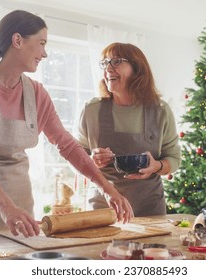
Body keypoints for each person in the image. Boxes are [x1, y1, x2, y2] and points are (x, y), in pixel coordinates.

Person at [0, 10, 133, 237]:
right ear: (17, 40)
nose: (45, 53)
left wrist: (109, 190)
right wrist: (5, 207)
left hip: (19, 206)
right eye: (41, 43)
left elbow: (68, 146)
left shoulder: (36, 93)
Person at [77, 42, 181, 217]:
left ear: (137, 69)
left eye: (116, 62)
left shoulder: (161, 111)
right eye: (105, 63)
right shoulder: (91, 110)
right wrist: (92, 159)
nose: (108, 69)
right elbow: (76, 156)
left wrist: (156, 166)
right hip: (103, 208)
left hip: (149, 207)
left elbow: (174, 159)